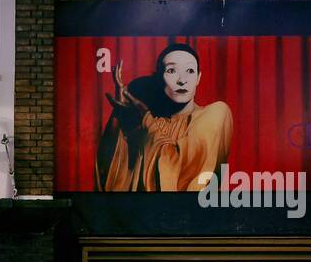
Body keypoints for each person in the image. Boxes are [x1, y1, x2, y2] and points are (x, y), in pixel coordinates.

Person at [95, 42, 233, 192]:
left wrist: (145, 117)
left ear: (199, 77)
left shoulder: (216, 113)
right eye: (172, 70)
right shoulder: (147, 123)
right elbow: (110, 177)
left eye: (190, 71)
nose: (182, 80)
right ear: (159, 78)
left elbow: (179, 174)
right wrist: (119, 115)